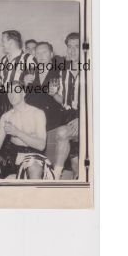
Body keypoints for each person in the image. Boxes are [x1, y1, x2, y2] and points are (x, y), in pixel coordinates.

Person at [0, 81, 47, 179]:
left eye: (15, 91)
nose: (11, 95)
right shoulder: (6, 117)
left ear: (24, 92)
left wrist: (17, 132)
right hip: (12, 155)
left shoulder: (37, 113)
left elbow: (41, 145)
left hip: (33, 154)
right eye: (9, 91)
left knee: (34, 168)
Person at [48, 32, 80, 179]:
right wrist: (54, 95)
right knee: (76, 167)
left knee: (61, 133)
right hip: (68, 117)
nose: (72, 51)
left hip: (87, 119)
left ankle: (55, 175)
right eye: (69, 47)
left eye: (77, 47)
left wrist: (82, 119)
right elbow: (65, 101)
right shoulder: (63, 73)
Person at [0, 30, 36, 112]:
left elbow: (33, 83)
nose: (1, 44)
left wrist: (24, 83)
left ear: (11, 42)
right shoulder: (4, 59)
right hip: (5, 101)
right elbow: (0, 81)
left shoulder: (28, 58)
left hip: (22, 102)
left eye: (3, 41)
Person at [25, 41, 64, 131]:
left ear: (51, 54)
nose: (41, 56)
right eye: (38, 53)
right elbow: (23, 97)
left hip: (51, 120)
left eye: (44, 52)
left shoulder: (61, 72)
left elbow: (67, 102)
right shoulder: (30, 72)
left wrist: (55, 94)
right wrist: (24, 84)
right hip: (31, 119)